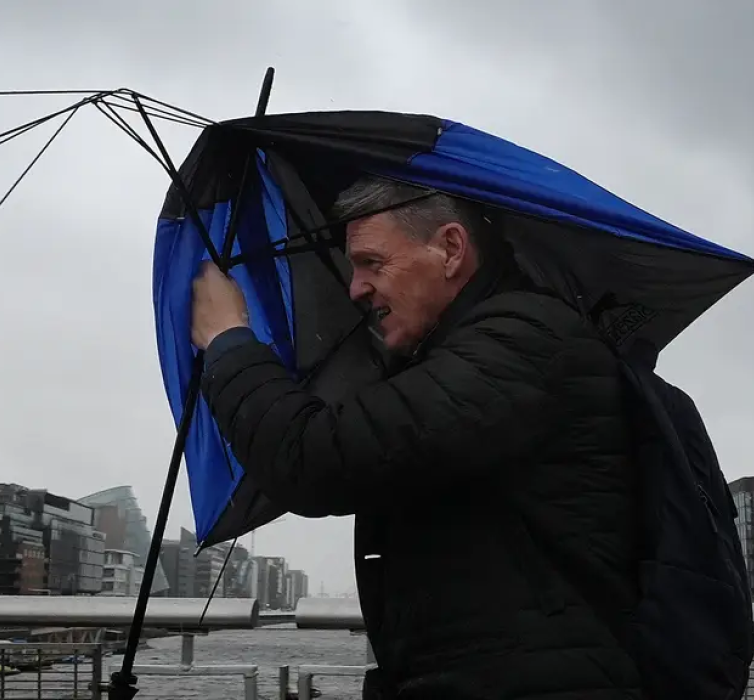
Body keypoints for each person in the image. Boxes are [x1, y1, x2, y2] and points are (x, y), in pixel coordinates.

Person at [190, 176, 644, 699]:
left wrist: (229, 342)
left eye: (371, 263)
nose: (356, 288)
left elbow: (316, 459)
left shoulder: (522, 342)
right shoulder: (479, 351)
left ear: (450, 249)